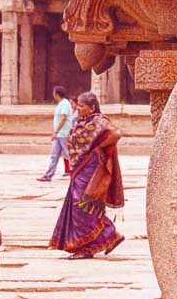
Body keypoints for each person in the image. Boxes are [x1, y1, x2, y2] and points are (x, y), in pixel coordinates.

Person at [49, 91, 125, 259]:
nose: (78, 110)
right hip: (79, 169)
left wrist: (99, 147)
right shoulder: (80, 121)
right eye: (78, 106)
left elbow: (117, 133)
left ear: (91, 108)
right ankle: (107, 237)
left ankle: (95, 243)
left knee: (83, 205)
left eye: (81, 107)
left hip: (91, 169)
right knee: (83, 206)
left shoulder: (99, 121)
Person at [38, 85, 74, 182]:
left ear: (57, 94)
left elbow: (63, 117)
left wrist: (56, 131)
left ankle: (78, 173)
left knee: (69, 155)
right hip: (59, 135)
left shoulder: (65, 103)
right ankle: (48, 175)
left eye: (54, 92)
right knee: (54, 155)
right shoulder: (61, 104)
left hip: (64, 134)